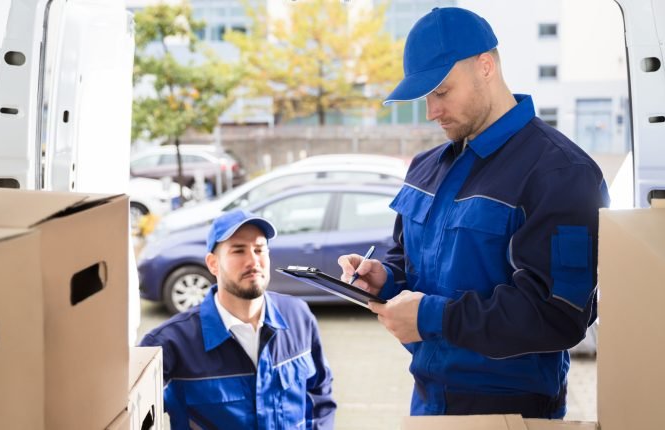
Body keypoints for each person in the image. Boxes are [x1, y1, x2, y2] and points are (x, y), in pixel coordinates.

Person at [338, 7, 610, 419]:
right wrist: (384, 277)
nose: (431, 110)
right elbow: (409, 261)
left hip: (511, 412)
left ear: (486, 66)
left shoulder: (561, 173)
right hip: (428, 401)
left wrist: (432, 316)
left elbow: (559, 316)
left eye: (441, 92)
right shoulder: (425, 168)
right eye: (425, 97)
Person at [141, 209, 336, 429]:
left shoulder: (299, 317)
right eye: (238, 251)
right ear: (213, 264)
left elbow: (320, 395)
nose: (253, 261)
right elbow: (133, 415)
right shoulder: (170, 343)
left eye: (259, 249)